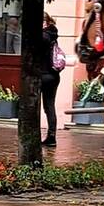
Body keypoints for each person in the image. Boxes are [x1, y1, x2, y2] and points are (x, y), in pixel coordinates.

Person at [38, 13, 61, 147]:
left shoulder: (44, 36)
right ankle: (51, 136)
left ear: (45, 22)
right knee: (49, 106)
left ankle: (45, 136)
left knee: (35, 105)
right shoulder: (53, 34)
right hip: (54, 75)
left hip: (43, 74)